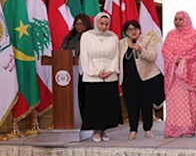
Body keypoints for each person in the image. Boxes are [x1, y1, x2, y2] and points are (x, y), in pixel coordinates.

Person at [161, 11, 196, 138]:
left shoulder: (195, 35)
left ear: (186, 20)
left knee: (190, 104)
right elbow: (165, 51)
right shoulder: (171, 35)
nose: (177, 22)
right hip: (174, 77)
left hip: (190, 76)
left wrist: (183, 60)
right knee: (174, 104)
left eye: (180, 19)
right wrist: (175, 60)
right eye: (175, 19)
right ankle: (172, 129)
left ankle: (189, 129)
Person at [79, 12, 121, 142]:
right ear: (96, 23)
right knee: (94, 104)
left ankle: (104, 129)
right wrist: (95, 72)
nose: (104, 27)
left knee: (107, 104)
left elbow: (116, 56)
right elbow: (84, 56)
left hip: (109, 76)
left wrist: (111, 70)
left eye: (106, 24)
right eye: (101, 24)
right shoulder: (87, 36)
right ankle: (96, 130)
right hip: (92, 76)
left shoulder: (113, 36)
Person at [119, 20, 162, 140]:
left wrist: (141, 49)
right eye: (130, 29)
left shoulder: (147, 40)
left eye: (135, 29)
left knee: (146, 105)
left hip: (146, 78)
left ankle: (148, 129)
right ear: (126, 32)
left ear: (139, 30)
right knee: (131, 105)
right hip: (128, 80)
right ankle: (133, 130)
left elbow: (153, 56)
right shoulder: (121, 43)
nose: (133, 32)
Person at [61, 13, 93, 117]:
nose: (79, 26)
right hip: (70, 69)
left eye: (81, 24)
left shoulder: (91, 36)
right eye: (77, 24)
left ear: (87, 24)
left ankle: (86, 117)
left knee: (84, 95)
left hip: (86, 70)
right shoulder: (69, 37)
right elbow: (62, 51)